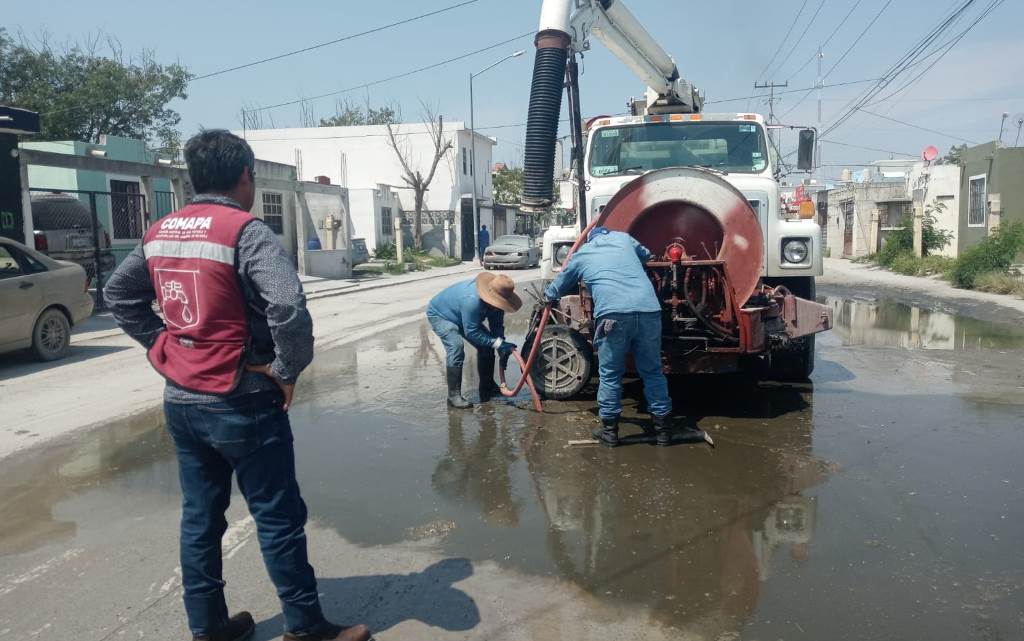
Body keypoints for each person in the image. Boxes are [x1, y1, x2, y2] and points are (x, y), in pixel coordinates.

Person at [104, 130, 372, 641]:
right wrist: (287, 371)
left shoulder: (160, 230)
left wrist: (162, 346)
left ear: (192, 178)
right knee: (277, 515)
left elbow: (120, 295)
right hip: (243, 399)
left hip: (182, 401)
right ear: (246, 176)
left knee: (200, 519)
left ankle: (207, 629)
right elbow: (288, 307)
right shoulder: (244, 231)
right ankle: (306, 627)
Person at [543, 226, 690, 447]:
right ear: (608, 234)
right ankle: (663, 432)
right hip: (650, 311)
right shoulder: (623, 238)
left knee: (611, 374)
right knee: (652, 372)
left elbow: (562, 283)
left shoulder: (583, 253)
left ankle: (610, 432)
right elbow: (647, 254)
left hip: (613, 316)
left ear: (590, 240)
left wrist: (547, 296)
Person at [426, 273, 521, 408]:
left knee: (488, 345)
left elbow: (497, 326)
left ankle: (487, 385)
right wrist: (498, 343)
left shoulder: (499, 303)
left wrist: (501, 345)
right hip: (441, 315)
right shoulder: (472, 300)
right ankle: (453, 396)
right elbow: (472, 332)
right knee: (456, 347)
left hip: (465, 317)